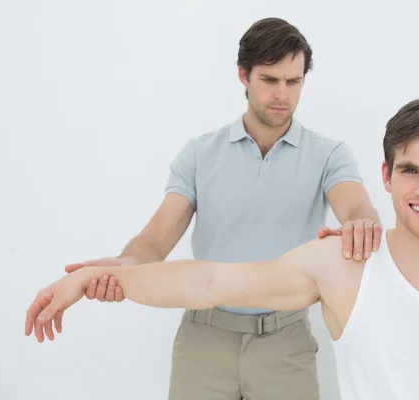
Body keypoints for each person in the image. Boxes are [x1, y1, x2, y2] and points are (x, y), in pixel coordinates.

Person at [26, 96, 419, 399]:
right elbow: (211, 281)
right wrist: (96, 279)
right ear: (388, 176)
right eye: (410, 171)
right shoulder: (344, 266)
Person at [54, 17, 381, 400]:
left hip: (286, 342)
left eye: (293, 82)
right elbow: (156, 239)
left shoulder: (328, 155)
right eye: (270, 80)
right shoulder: (199, 154)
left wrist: (363, 224)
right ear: (244, 75)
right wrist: (122, 268)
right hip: (204, 340)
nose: (282, 94)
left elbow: (356, 206)